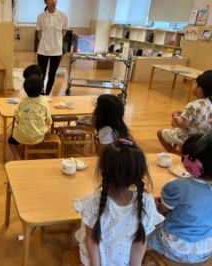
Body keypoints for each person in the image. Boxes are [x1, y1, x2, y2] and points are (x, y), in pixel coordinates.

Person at [73, 140, 164, 265]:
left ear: (101, 169)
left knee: (80, 232)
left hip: (96, 260)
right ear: (141, 173)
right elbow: (140, 241)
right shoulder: (147, 202)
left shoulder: (91, 202)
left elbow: (91, 239)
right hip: (124, 261)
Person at [148, 133, 212, 263]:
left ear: (190, 163)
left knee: (141, 230)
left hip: (177, 249)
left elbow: (163, 210)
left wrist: (156, 204)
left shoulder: (177, 187)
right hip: (206, 250)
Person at [157, 71, 212, 152]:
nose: (193, 86)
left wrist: (175, 117)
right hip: (202, 138)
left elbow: (184, 125)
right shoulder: (209, 104)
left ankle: (174, 153)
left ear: (199, 89)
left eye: (195, 84)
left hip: (188, 138)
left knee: (160, 133)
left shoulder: (192, 105)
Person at [8, 74, 52, 159]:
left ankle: (17, 157)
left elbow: (17, 118)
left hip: (21, 135)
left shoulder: (22, 101)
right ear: (42, 89)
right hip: (38, 137)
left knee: (10, 142)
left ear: (25, 90)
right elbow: (48, 121)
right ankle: (36, 149)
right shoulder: (44, 102)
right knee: (45, 129)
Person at [36, 0, 68, 95]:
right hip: (43, 50)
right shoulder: (41, 16)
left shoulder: (63, 15)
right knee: (41, 74)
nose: (53, 1)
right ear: (46, 2)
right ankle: (41, 93)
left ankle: (47, 93)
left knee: (52, 74)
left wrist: (59, 40)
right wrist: (43, 42)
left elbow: (65, 29)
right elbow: (39, 32)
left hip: (56, 50)